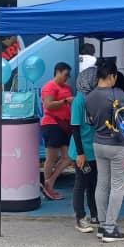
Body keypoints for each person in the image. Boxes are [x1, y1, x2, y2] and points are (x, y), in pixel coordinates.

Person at [85, 59, 124, 242]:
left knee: (102, 184)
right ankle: (110, 228)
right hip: (118, 145)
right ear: (111, 76)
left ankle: (102, 225)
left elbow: (91, 120)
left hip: (98, 143)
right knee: (117, 186)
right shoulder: (118, 94)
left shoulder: (89, 96)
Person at [69, 66, 99, 233]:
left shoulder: (94, 98)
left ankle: (95, 214)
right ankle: (80, 217)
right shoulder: (79, 100)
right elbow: (75, 128)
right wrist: (80, 154)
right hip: (81, 151)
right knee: (81, 183)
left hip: (93, 149)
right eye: (96, 79)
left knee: (93, 183)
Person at [40, 62, 74, 200]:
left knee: (68, 157)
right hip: (52, 124)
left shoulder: (67, 88)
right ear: (58, 72)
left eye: (68, 75)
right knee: (52, 157)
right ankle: (48, 186)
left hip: (64, 126)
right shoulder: (49, 87)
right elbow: (48, 105)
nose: (67, 78)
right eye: (65, 74)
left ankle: (50, 182)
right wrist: (65, 101)